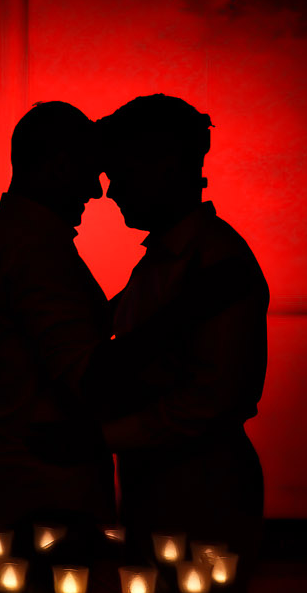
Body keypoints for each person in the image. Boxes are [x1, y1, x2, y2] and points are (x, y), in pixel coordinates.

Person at [92, 95, 268, 559]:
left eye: (121, 174)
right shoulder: (173, 261)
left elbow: (207, 403)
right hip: (171, 486)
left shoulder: (213, 262)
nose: (110, 192)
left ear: (165, 169)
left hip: (201, 492)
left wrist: (96, 437)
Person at [0, 102, 116, 536]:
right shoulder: (40, 253)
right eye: (89, 172)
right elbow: (82, 370)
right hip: (45, 488)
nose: (96, 192)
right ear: (58, 166)